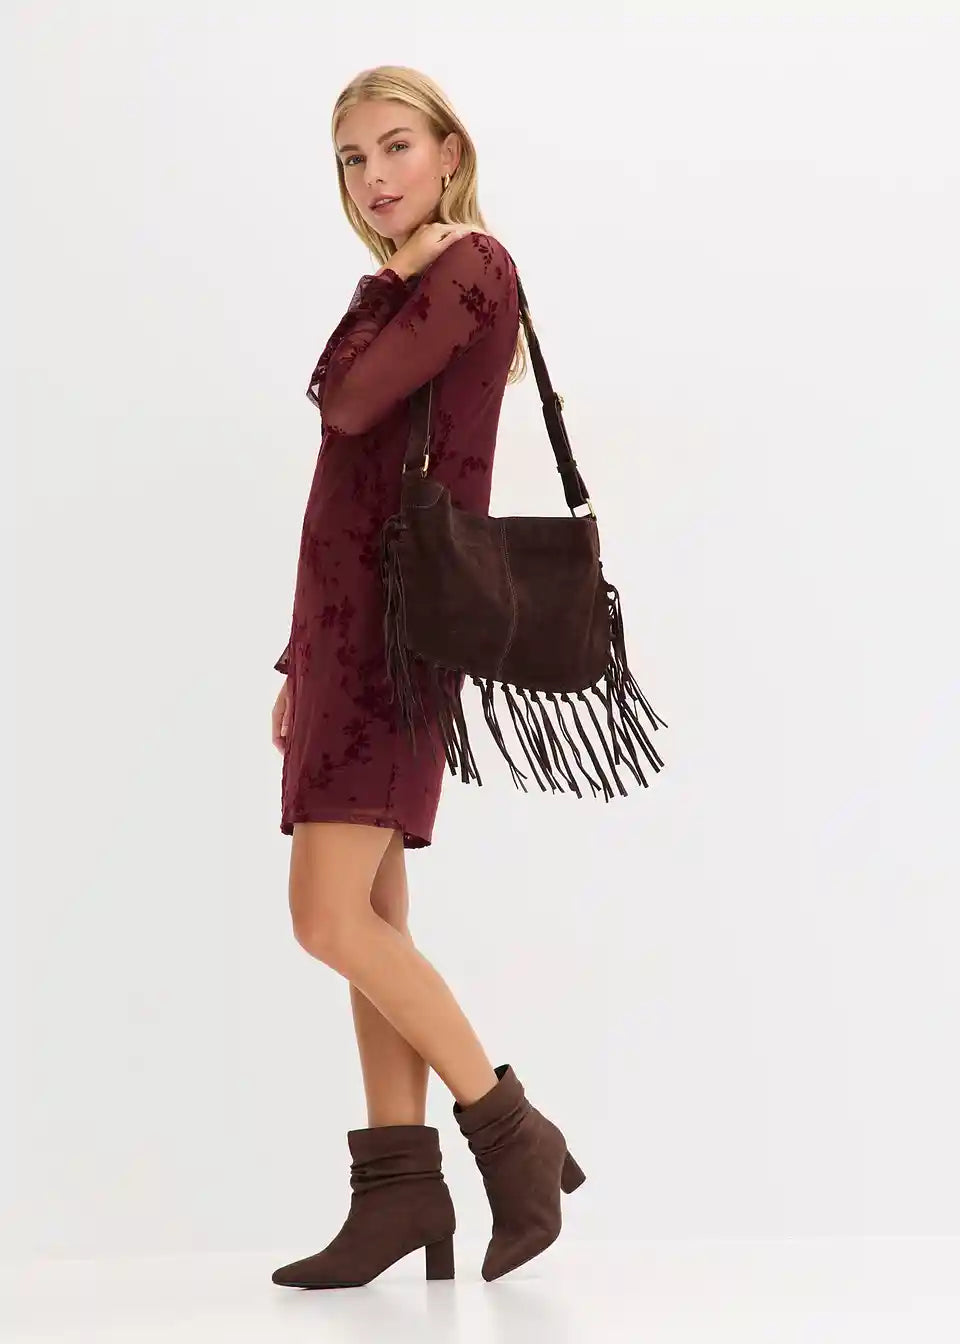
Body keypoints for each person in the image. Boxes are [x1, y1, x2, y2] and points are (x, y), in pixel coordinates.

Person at [269, 66, 585, 1290]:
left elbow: (345, 399)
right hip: (342, 630)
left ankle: (510, 1129)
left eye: (395, 147)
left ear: (450, 152)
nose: (374, 177)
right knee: (373, 925)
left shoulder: (467, 268)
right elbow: (349, 479)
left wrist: (387, 275)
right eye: (353, 159)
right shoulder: (416, 281)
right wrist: (297, 656)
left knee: (325, 919)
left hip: (394, 635)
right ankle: (400, 1192)